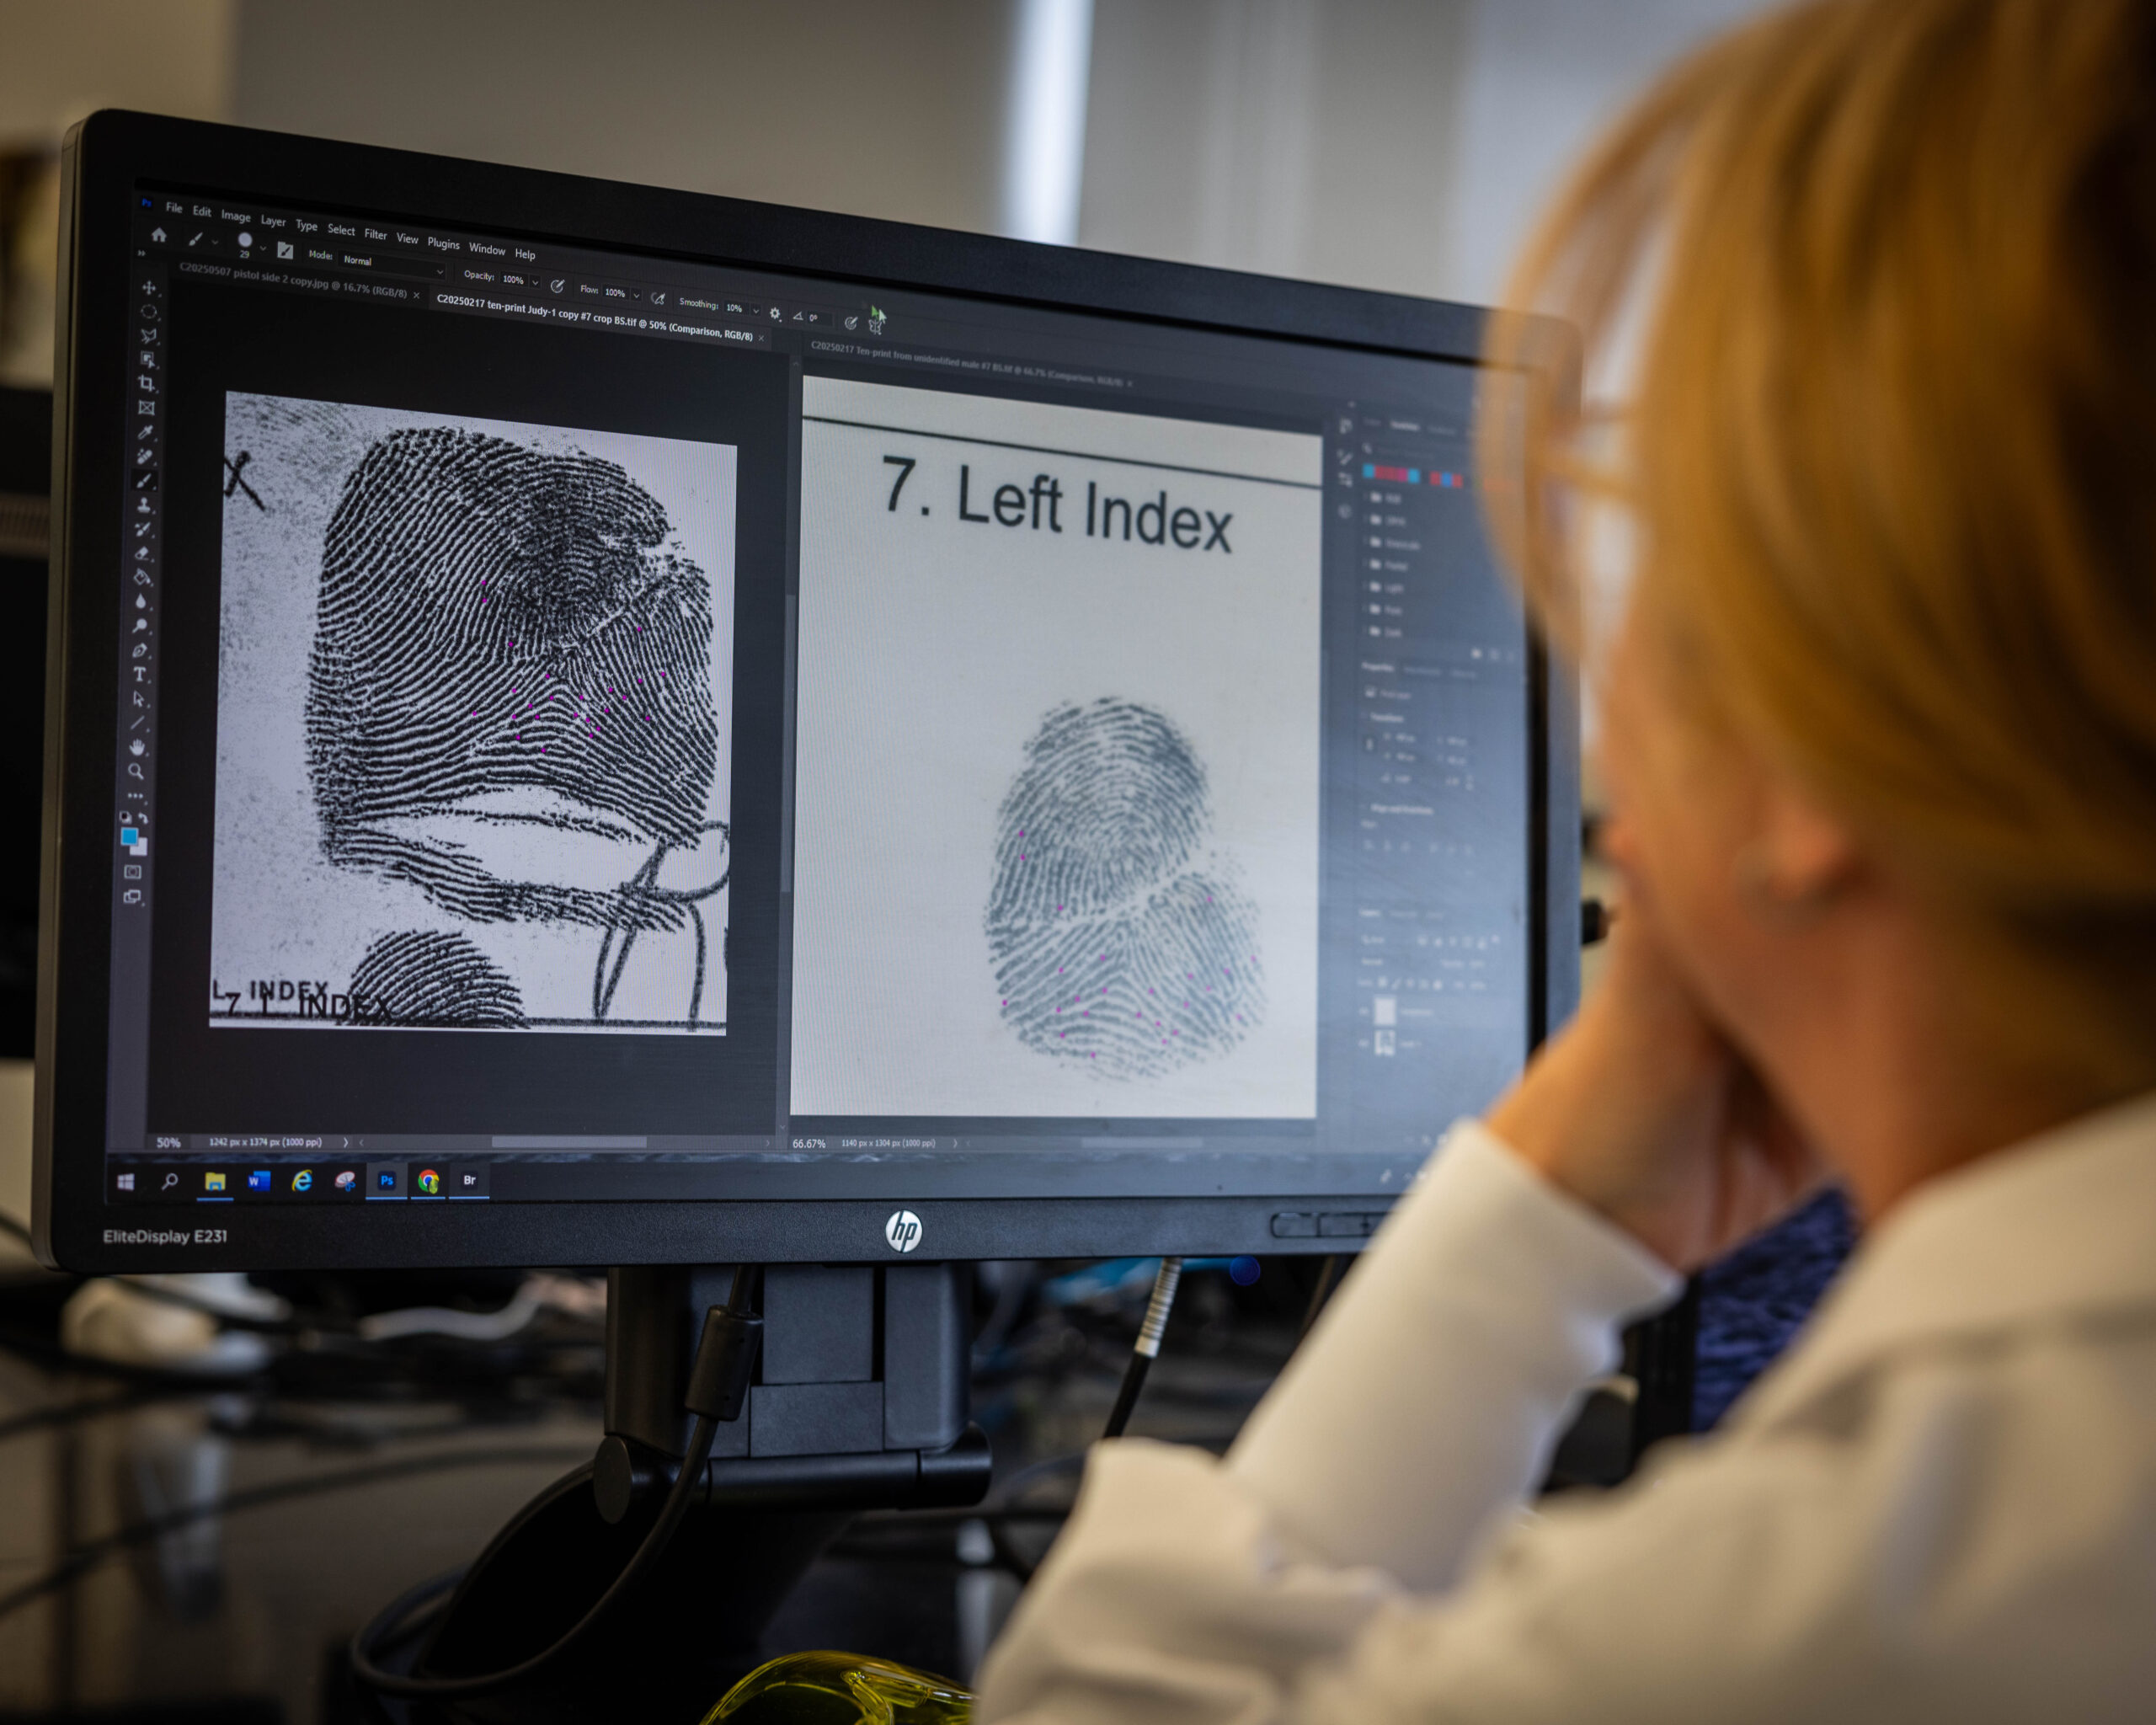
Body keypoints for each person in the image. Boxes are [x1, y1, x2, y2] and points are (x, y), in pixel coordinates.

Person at [977, 0, 2156, 1717]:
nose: (1600, 739)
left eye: (1665, 553)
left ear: (1821, 736)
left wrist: (1534, 1217)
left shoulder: (1825, 1612)